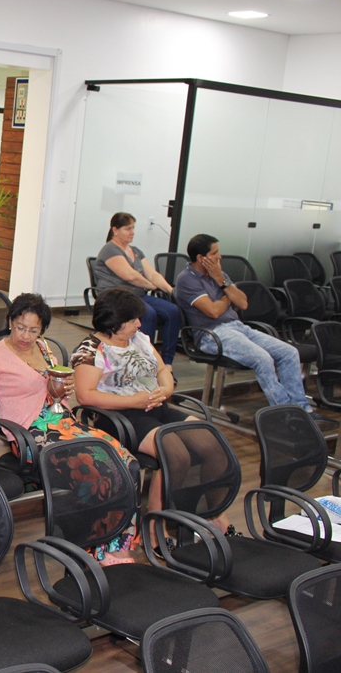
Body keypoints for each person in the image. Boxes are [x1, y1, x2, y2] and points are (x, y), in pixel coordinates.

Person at [0, 293, 140, 565]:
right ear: (10, 321)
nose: (25, 336)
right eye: (20, 327)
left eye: (33, 330)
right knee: (95, 473)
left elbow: (57, 382)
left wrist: (66, 387)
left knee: (128, 464)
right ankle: (94, 548)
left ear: (41, 330)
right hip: (32, 434)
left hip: (65, 423)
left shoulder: (43, 347)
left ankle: (119, 544)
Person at [71, 287, 232, 537]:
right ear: (114, 322)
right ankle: (155, 526)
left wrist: (166, 389)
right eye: (133, 320)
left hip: (155, 407)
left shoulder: (139, 339)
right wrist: (132, 401)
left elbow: (162, 370)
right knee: (175, 454)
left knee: (213, 443)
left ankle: (214, 513)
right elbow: (85, 395)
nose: (139, 324)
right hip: (120, 417)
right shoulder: (91, 350)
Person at [176, 234, 328, 420]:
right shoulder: (187, 279)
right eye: (215, 253)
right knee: (262, 359)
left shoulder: (219, 275)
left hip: (239, 327)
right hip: (212, 334)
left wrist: (221, 281)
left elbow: (242, 303)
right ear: (201, 258)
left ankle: (302, 409)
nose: (219, 257)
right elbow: (213, 312)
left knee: (289, 353)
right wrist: (227, 296)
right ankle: (285, 413)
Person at [92, 212, 179, 368]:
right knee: (148, 313)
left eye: (133, 228)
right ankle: (143, 362)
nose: (132, 232)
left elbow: (152, 274)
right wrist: (152, 286)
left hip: (137, 295)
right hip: (118, 297)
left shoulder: (136, 251)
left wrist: (170, 290)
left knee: (172, 311)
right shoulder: (109, 249)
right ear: (115, 230)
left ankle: (167, 363)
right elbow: (130, 276)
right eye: (127, 229)